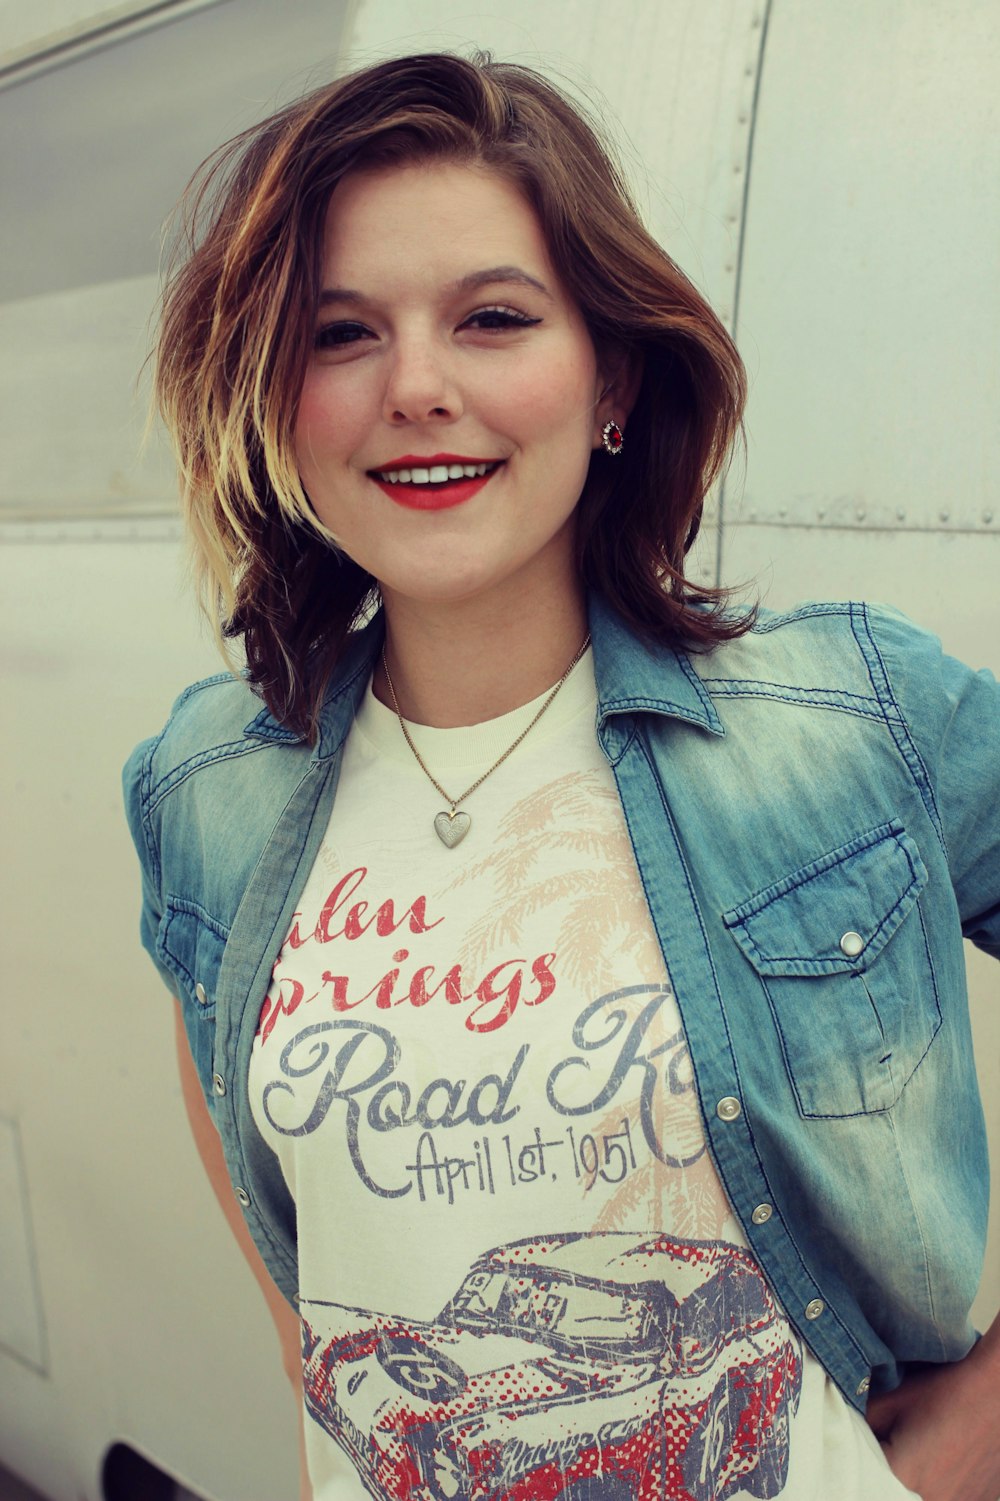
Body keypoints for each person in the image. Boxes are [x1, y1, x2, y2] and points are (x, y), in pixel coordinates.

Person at [123, 51, 999, 1501]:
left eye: (492, 318)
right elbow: (215, 1027)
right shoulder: (213, 783)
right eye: (342, 334)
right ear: (281, 405)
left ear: (610, 382)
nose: (417, 387)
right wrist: (306, 1336)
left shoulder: (851, 720)